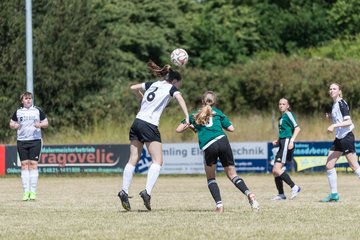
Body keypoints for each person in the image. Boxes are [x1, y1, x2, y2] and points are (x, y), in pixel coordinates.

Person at [118, 60, 189, 211]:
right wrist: (187, 117)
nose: (179, 87)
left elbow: (133, 88)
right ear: (174, 81)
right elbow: (180, 98)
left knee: (132, 160)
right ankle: (147, 192)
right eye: (179, 84)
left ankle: (124, 191)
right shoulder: (171, 88)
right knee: (158, 161)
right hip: (149, 124)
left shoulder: (154, 84)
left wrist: (142, 98)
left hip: (136, 122)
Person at [176, 91, 260, 213]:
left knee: (211, 178)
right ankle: (249, 194)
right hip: (223, 140)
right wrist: (219, 124)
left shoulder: (195, 115)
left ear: (202, 102)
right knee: (232, 175)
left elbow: (178, 129)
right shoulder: (218, 113)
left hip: (210, 145)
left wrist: (189, 124)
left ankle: (220, 206)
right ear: (214, 102)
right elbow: (231, 128)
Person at [321, 83, 360, 202]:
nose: (331, 90)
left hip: (347, 137)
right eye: (330, 88)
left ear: (339, 91)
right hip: (339, 138)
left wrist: (333, 125)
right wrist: (330, 116)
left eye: (334, 88)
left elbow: (348, 122)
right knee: (329, 165)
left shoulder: (342, 103)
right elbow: (339, 118)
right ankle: (334, 195)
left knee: (354, 166)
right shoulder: (335, 104)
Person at [9, 91, 49, 201]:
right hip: (22, 141)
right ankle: (26, 192)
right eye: (26, 98)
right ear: (22, 100)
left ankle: (33, 192)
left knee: (33, 164)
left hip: (35, 141)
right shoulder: (18, 112)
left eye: (30, 98)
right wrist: (15, 125)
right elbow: (11, 124)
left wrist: (39, 124)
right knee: (24, 164)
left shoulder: (37, 110)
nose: (28, 100)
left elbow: (46, 123)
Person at [271, 98, 301, 200]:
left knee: (277, 169)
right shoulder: (282, 117)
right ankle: (281, 194)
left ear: (288, 106)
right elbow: (285, 132)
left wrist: (292, 140)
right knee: (275, 171)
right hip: (282, 143)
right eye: (280, 104)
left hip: (287, 143)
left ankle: (294, 187)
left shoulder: (288, 114)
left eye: (283, 104)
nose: (281, 105)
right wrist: (278, 141)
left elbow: (297, 128)